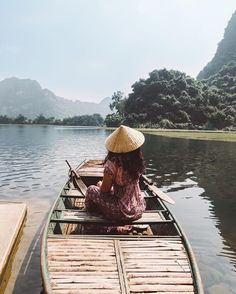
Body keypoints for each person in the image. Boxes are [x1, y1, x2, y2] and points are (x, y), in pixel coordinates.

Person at [85, 125, 146, 223]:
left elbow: (104, 190)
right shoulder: (137, 161)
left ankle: (94, 211)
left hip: (121, 212)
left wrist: (100, 185)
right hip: (138, 208)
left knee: (91, 190)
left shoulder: (111, 164)